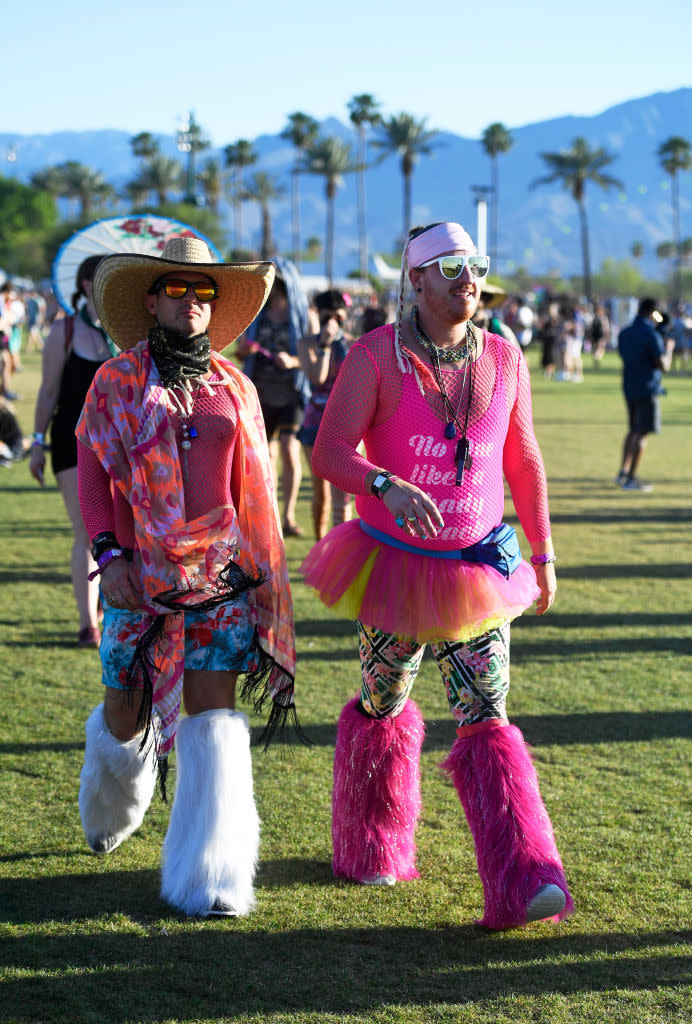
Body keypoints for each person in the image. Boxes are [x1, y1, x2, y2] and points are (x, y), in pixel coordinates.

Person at [301, 221, 572, 930]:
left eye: (474, 264)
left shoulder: (506, 357)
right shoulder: (373, 357)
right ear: (414, 278)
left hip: (477, 568)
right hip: (393, 567)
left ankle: (525, 878)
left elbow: (525, 462)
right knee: (383, 700)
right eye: (449, 266)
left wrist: (542, 554)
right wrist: (384, 483)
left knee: (487, 713)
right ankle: (370, 844)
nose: (467, 278)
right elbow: (329, 452)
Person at [75, 236, 297, 918]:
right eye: (179, 290)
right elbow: (91, 474)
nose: (194, 303)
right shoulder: (116, 380)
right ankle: (114, 790)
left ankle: (212, 876)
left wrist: (260, 575)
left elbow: (251, 486)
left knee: (213, 722)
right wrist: (109, 557)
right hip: (139, 575)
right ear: (151, 300)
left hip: (222, 577)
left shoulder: (236, 386)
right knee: (126, 710)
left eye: (205, 293)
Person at [29, 256, 117, 647]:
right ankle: (88, 624)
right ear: (85, 285)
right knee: (86, 531)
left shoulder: (126, 332)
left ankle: (104, 605)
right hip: (71, 440)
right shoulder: (64, 332)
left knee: (119, 530)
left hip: (120, 444)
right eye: (104, 280)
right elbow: (48, 392)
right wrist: (35, 443)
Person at [236, 257, 311, 536]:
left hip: (291, 392)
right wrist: (249, 351)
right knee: (264, 456)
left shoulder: (301, 314)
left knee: (291, 452)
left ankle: (289, 516)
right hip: (260, 392)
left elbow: (312, 360)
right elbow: (241, 352)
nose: (274, 293)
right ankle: (268, 514)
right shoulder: (258, 313)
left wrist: (291, 361)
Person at [297, 289, 352, 539]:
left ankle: (341, 548)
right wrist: (324, 346)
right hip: (315, 421)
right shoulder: (306, 343)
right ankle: (320, 546)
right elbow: (317, 378)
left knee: (344, 491)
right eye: (326, 316)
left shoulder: (354, 343)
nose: (331, 322)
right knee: (321, 490)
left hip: (346, 423)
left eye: (337, 317)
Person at [616, 297, 675, 491]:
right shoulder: (651, 334)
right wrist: (669, 350)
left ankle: (623, 473)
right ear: (652, 313)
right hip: (647, 388)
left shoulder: (624, 333)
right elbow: (663, 365)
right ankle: (631, 479)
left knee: (633, 429)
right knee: (642, 433)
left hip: (629, 386)